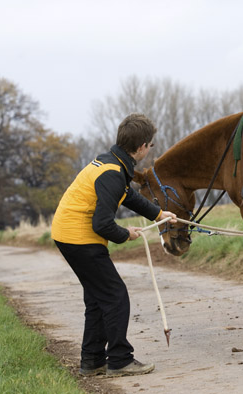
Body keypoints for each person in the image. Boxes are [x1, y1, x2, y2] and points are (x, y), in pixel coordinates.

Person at [51, 113, 176, 377]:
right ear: (142, 147)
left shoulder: (112, 163)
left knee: (98, 298)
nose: (150, 148)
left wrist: (158, 214)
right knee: (115, 296)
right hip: (79, 238)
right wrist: (125, 234)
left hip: (68, 234)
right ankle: (119, 360)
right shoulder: (112, 172)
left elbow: (126, 194)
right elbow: (102, 224)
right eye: (150, 145)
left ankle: (92, 361)